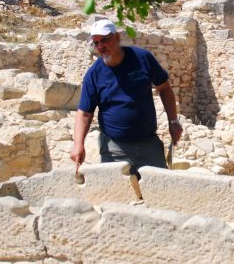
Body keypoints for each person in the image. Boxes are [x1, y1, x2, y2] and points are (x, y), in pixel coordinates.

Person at [70, 19, 183, 177]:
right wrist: (78, 145)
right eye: (96, 43)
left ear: (117, 37)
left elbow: (164, 88)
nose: (101, 46)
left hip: (148, 143)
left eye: (104, 40)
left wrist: (173, 121)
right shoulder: (94, 74)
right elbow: (84, 113)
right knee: (117, 196)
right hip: (114, 148)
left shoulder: (142, 58)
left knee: (159, 193)